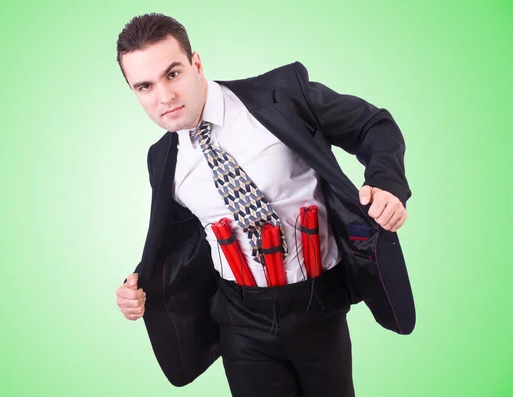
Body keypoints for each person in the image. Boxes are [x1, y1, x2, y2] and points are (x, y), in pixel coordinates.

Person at [114, 13, 415, 397]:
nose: (164, 97)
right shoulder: (163, 160)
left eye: (172, 74)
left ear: (197, 64)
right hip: (239, 319)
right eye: (144, 86)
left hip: (318, 305)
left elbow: (372, 125)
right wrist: (138, 282)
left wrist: (387, 184)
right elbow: (178, 238)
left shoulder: (281, 95)